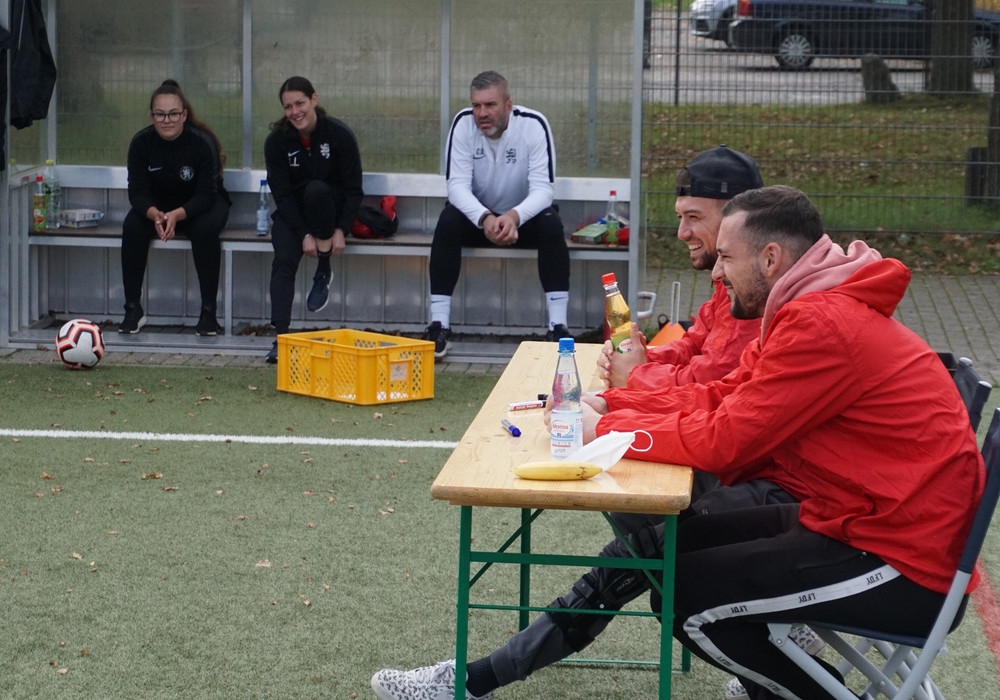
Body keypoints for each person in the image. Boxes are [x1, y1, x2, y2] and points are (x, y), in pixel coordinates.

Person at [370, 186, 985, 700]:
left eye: (726, 256)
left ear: (771, 257)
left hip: (901, 561)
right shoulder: (808, 305)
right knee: (661, 556)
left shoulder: (820, 319)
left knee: (685, 597)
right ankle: (482, 678)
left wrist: (606, 430)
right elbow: (721, 394)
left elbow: (726, 440)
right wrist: (615, 406)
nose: (716, 270)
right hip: (856, 520)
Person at [424, 71, 571, 359]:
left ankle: (558, 326)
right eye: (476, 105)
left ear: (508, 105)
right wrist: (486, 218)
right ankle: (439, 325)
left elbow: (543, 190)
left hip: (521, 221)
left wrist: (514, 217)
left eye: (490, 105)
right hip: (480, 220)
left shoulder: (534, 125)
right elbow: (456, 187)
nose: (482, 113)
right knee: (448, 220)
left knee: (551, 223)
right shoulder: (462, 124)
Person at [597, 145, 762, 391]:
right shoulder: (728, 276)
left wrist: (635, 374)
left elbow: (714, 378)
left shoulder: (753, 285)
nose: (681, 233)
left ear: (737, 219)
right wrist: (639, 357)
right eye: (680, 217)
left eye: (694, 217)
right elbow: (696, 345)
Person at [263, 76, 364, 364]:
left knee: (316, 190)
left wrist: (342, 229)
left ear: (314, 99)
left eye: (300, 104)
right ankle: (281, 339)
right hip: (293, 216)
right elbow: (281, 195)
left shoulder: (339, 135)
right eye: (288, 107)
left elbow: (354, 189)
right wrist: (303, 233)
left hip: (329, 213)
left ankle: (323, 268)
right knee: (283, 261)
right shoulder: (277, 142)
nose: (295, 112)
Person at [121, 79, 231, 336]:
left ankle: (208, 313)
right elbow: (136, 192)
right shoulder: (141, 143)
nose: (166, 120)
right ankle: (133, 309)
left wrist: (177, 214)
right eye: (160, 114)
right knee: (132, 225)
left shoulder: (201, 142)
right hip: (158, 208)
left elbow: (207, 195)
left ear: (184, 115)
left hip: (201, 205)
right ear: (152, 116)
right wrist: (155, 214)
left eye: (172, 114)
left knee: (204, 229)